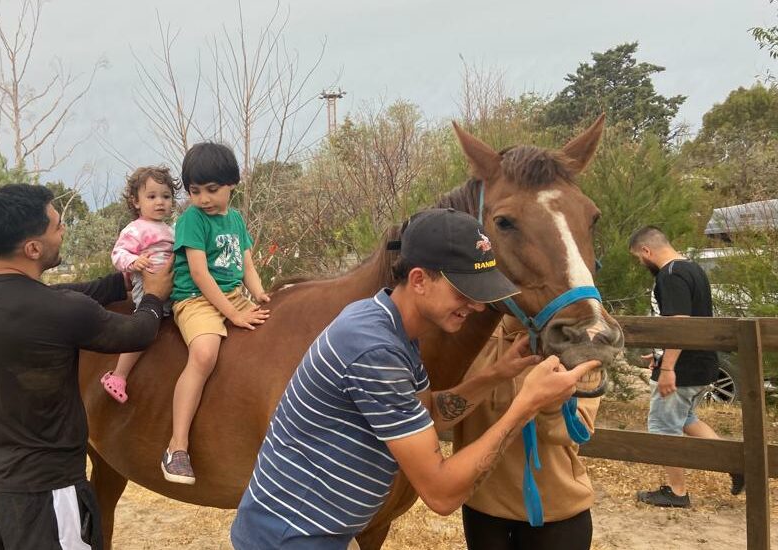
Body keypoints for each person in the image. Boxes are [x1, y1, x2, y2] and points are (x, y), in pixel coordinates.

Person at [230, 208, 600, 549]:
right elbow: (440, 494)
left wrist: (495, 375)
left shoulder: (391, 326)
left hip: (313, 532)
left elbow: (429, 414)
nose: (475, 306)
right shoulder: (374, 350)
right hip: (290, 538)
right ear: (420, 279)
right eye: (465, 292)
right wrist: (526, 404)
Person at [0, 183, 172, 550]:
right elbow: (138, 333)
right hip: (49, 495)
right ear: (33, 248)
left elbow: (61, 298)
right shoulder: (57, 310)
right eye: (57, 226)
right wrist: (152, 296)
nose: (63, 230)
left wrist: (127, 279)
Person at [162, 141, 271, 485]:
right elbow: (199, 273)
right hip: (196, 299)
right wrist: (234, 314)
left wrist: (262, 295)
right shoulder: (192, 219)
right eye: (195, 191)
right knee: (205, 354)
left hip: (233, 295)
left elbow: (248, 265)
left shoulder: (236, 219)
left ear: (232, 185)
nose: (203, 199)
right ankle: (177, 446)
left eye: (212, 190)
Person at [454, 320, 600, 550]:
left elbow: (575, 431)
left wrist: (549, 401)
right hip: (482, 508)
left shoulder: (579, 341)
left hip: (556, 511)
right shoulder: (469, 330)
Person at [628, 225, 744, 508]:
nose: (640, 263)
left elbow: (679, 324)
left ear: (646, 250)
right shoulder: (693, 270)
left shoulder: (670, 275)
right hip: (701, 362)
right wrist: (659, 356)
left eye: (637, 257)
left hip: (682, 369)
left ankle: (677, 492)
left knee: (663, 426)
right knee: (687, 419)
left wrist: (668, 369)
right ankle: (736, 464)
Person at [101, 166, 178, 403]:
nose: (160, 202)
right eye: (152, 196)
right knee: (143, 332)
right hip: (147, 289)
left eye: (166, 196)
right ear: (136, 202)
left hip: (171, 287)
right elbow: (118, 254)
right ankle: (118, 375)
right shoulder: (135, 229)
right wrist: (134, 261)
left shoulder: (170, 230)